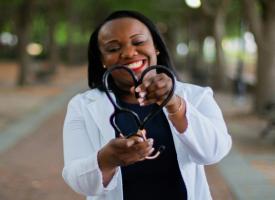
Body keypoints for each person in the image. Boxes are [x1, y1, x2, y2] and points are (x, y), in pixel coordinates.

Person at [62, 10, 232, 200]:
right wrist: (107, 159)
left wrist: (175, 104)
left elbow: (214, 152)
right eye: (113, 48)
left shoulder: (196, 96)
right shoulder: (82, 106)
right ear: (102, 60)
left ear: (156, 47)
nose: (128, 52)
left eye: (138, 42)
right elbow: (78, 181)